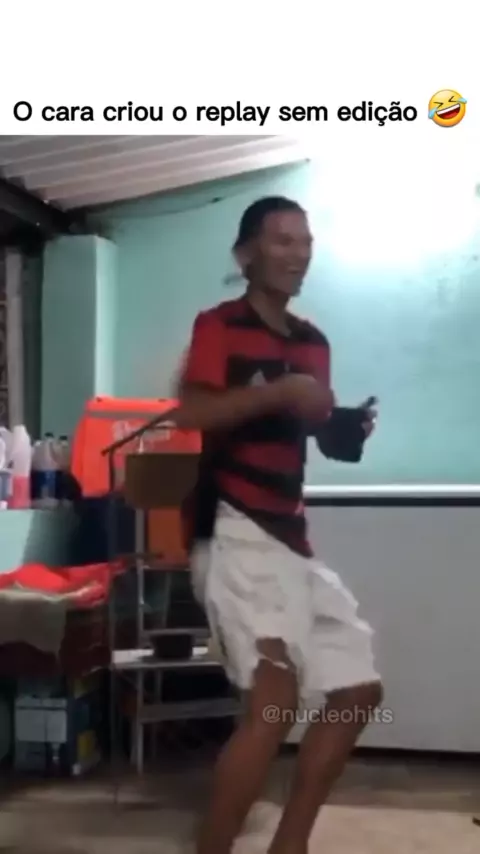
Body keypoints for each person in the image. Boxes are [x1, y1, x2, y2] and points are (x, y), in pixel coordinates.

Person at [174, 196, 383, 854]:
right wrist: (279, 392)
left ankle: (289, 845)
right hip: (232, 527)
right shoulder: (218, 326)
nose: (298, 254)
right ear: (247, 255)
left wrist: (344, 429)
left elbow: (313, 435)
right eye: (282, 240)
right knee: (275, 702)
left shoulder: (313, 343)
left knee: (357, 690)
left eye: (305, 241)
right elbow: (193, 413)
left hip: (292, 539)